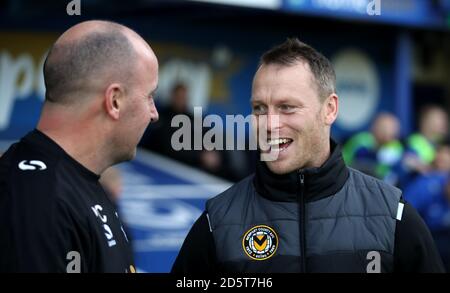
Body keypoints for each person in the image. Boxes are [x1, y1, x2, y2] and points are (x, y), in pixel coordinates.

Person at [171, 38, 444, 273]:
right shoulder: (217, 222)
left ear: (329, 109)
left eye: (287, 107)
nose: (269, 124)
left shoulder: (392, 216)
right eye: (259, 108)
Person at [0, 20, 159, 273]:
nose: (154, 114)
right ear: (114, 101)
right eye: (149, 96)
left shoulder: (71, 184)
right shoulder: (39, 205)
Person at [343, 112, 404, 185]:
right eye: (384, 127)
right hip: (351, 179)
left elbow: (397, 167)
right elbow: (361, 161)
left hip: (381, 184)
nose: (387, 131)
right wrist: (378, 155)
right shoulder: (362, 139)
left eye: (392, 128)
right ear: (374, 127)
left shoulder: (396, 145)